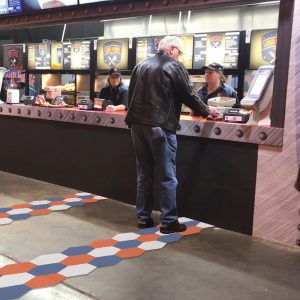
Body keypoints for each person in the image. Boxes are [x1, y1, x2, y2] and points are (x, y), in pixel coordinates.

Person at [125, 36, 219, 234]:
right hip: (160, 126)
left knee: (144, 174)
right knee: (167, 175)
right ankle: (168, 221)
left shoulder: (140, 66)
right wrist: (207, 111)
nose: (180, 56)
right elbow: (189, 94)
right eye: (180, 52)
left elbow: (130, 96)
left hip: (136, 125)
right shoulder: (174, 66)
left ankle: (143, 219)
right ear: (172, 50)